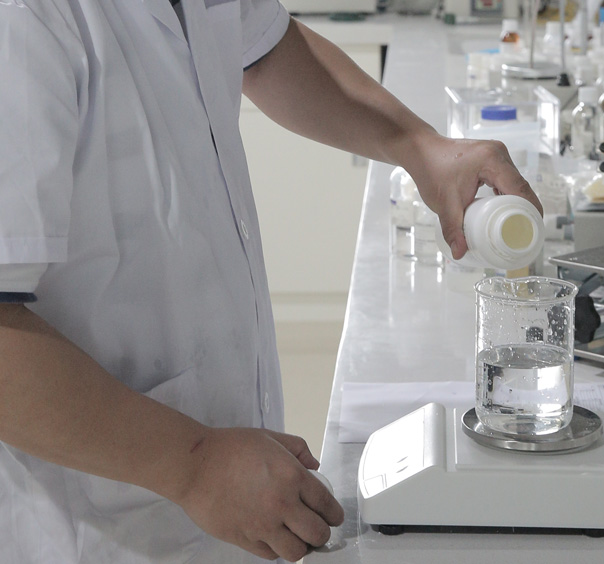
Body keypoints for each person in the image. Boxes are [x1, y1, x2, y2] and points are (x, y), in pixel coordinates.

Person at [0, 1, 541, 563]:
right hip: (94, 524)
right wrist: (190, 463)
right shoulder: (23, 20)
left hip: (222, 495)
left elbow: (266, 49)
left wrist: (419, 146)